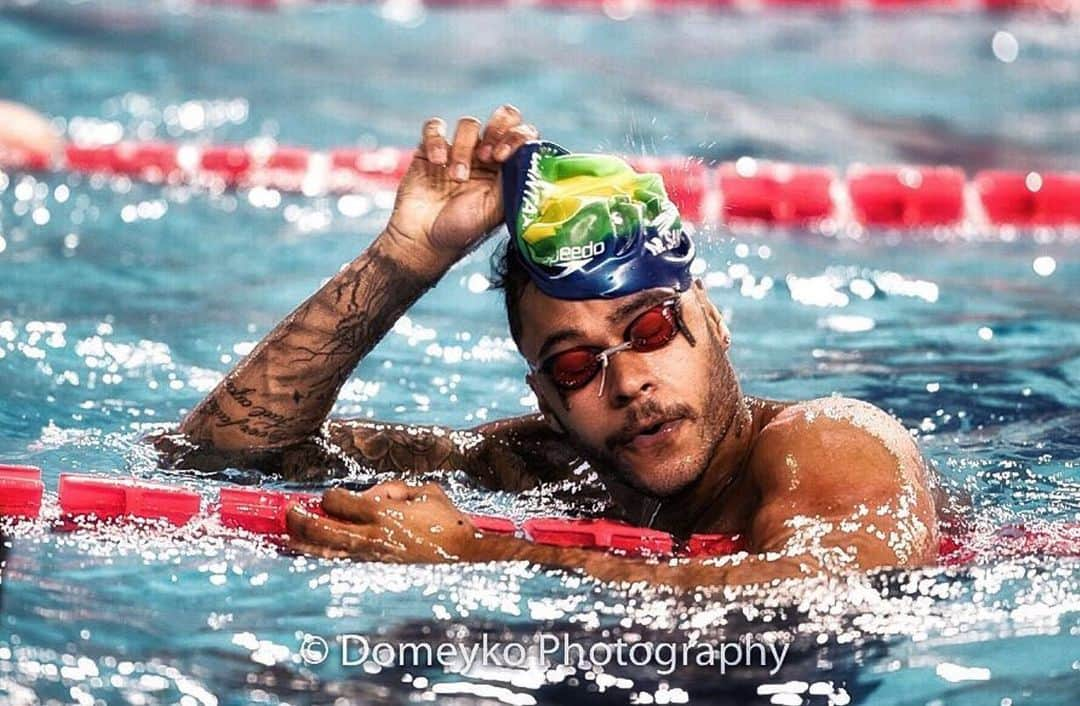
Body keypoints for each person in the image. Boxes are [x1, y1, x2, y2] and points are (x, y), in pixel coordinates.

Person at [149, 105, 940, 588]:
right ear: (545, 399)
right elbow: (219, 457)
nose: (627, 382)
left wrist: (473, 554)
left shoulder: (831, 442)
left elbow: (836, 590)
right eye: (574, 364)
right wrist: (403, 260)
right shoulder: (546, 467)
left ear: (716, 322)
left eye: (651, 329)